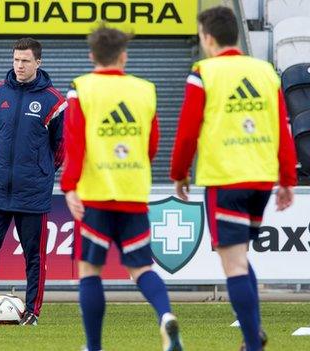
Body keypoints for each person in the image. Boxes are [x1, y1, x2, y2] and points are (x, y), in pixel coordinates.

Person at [170, 6, 297, 351]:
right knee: (241, 258)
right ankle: (252, 333)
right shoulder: (266, 72)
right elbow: (283, 129)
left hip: (226, 179)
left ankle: (253, 344)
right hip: (260, 181)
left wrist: (179, 174)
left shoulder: (204, 73)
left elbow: (186, 133)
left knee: (234, 263)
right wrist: (287, 178)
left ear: (207, 38)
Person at [61, 26, 184, 351]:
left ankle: (94, 346)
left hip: (95, 195)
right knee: (141, 267)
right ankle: (165, 315)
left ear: (92, 56)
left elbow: (74, 142)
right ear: (123, 56)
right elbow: (153, 142)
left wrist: (69, 186)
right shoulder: (145, 90)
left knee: (90, 270)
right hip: (132, 191)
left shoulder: (81, 89)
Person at [0, 37, 65, 325]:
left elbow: (60, 146)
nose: (19, 66)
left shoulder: (55, 101)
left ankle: (32, 311)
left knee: (34, 255)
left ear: (38, 62)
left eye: (25, 61)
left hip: (33, 190)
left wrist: (41, 171)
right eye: (16, 60)